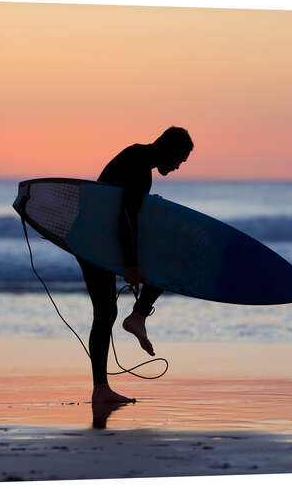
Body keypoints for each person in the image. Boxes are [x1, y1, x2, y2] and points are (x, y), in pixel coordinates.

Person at [77, 127, 194, 404]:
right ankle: (101, 388)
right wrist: (131, 265)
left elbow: (125, 205)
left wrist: (146, 205)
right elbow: (125, 216)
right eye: (179, 160)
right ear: (169, 150)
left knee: (108, 309)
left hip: (100, 238)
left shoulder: (139, 160)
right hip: (96, 242)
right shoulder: (140, 165)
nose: (177, 167)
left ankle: (137, 318)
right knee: (105, 311)